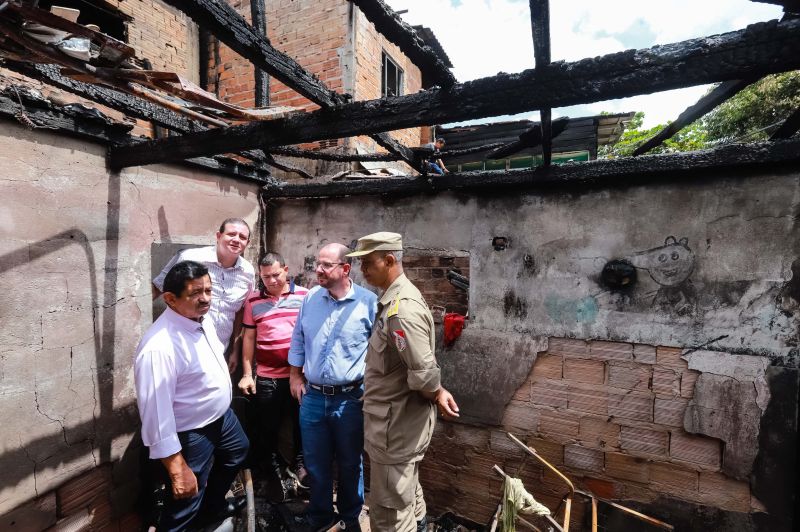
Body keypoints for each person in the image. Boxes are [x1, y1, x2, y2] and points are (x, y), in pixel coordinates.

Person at [347, 232, 460, 532]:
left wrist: (435, 391)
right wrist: (438, 391)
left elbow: (423, 374)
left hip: (394, 428)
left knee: (388, 513)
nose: (363, 271)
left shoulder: (401, 310)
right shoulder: (396, 299)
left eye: (368, 263)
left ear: (389, 260)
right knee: (405, 493)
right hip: (394, 424)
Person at [134, 260, 249, 531]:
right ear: (170, 299)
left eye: (209, 290)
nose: (205, 299)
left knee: (238, 451)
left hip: (221, 419)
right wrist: (176, 467)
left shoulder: (199, 320)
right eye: (196, 293)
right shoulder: (159, 346)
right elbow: (155, 414)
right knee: (186, 496)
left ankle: (211, 511)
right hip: (191, 432)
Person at [288, 243, 377, 530]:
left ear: (345, 269)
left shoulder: (368, 303)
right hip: (312, 398)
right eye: (318, 264)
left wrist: (371, 390)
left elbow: (380, 353)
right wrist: (295, 376)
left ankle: (350, 518)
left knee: (351, 464)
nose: (319, 270)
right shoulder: (311, 298)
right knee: (316, 464)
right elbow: (299, 339)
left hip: (350, 399)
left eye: (326, 265)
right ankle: (320, 517)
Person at [238, 252, 309, 494]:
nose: (272, 281)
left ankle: (300, 467)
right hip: (267, 378)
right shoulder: (253, 301)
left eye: (276, 275)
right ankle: (271, 472)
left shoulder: (304, 296)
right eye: (266, 277)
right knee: (267, 427)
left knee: (303, 424)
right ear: (260, 276)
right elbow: (248, 337)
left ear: (286, 270)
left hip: (299, 377)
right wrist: (248, 373)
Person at [153, 218, 255, 372]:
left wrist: (234, 350)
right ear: (218, 236)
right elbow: (158, 288)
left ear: (247, 243)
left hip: (220, 351)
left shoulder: (248, 272)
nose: (236, 240)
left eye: (242, 237)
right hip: (183, 348)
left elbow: (240, 312)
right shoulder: (190, 258)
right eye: (231, 234)